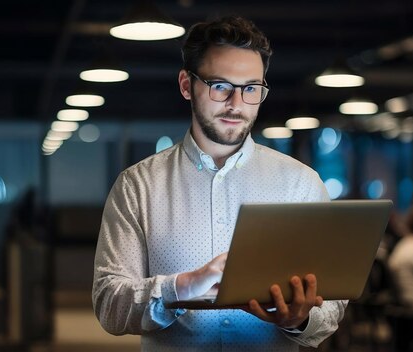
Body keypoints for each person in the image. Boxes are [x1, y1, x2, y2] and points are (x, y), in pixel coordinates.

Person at [92, 16, 346, 351]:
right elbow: (109, 304)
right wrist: (183, 286)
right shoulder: (137, 186)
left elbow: (332, 305)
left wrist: (299, 318)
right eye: (220, 86)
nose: (236, 104)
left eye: (251, 89)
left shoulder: (300, 183)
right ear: (186, 85)